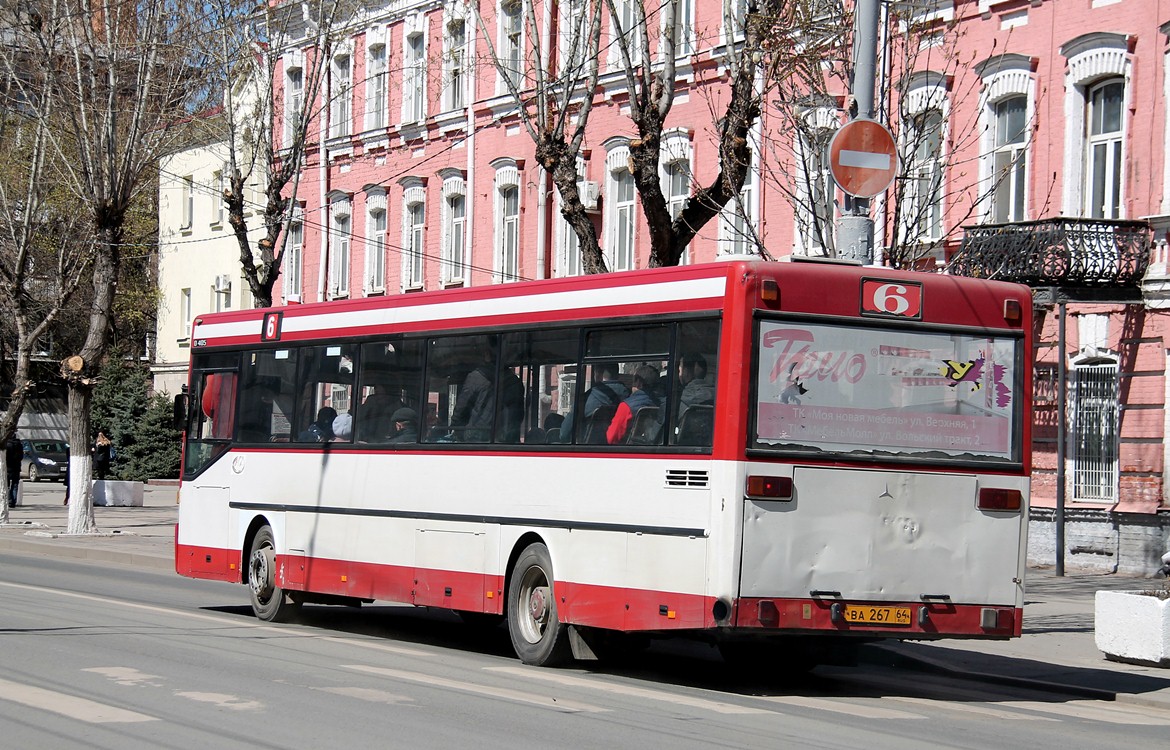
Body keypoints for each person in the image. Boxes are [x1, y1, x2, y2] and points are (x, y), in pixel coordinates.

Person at [560, 362, 629, 442]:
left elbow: (564, 434)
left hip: (588, 449)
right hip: (619, 447)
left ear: (598, 373)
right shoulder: (629, 397)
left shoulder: (587, 399)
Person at [607, 364, 663, 445]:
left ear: (639, 383)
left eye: (633, 381)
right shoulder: (661, 403)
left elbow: (612, 438)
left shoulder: (626, 406)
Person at [678, 353, 715, 417]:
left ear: (686, 372)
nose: (679, 375)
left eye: (679, 371)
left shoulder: (683, 397)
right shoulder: (716, 394)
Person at [6, 435, 23, 508]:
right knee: (15, 485)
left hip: (7, 468)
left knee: (7, 486)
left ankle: (9, 500)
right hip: (16, 468)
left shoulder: (6, 445)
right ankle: (13, 501)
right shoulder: (19, 444)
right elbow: (21, 456)